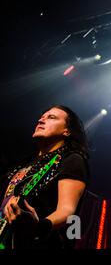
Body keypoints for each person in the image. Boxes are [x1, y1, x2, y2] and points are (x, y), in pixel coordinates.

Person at [0, 105, 89, 249]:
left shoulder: (72, 159)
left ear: (67, 131)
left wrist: (39, 226)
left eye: (51, 117)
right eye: (41, 117)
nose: (41, 120)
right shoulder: (22, 164)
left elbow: (67, 211)